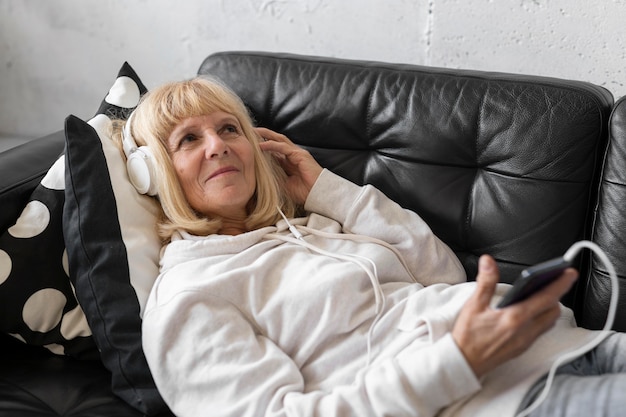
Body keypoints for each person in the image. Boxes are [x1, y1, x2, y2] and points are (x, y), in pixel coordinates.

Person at [118, 76, 626, 417]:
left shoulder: (309, 222)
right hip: (509, 398)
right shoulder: (189, 299)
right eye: (188, 139)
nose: (219, 145)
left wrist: (327, 189)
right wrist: (458, 360)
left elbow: (442, 275)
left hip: (564, 344)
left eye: (229, 128)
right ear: (151, 174)